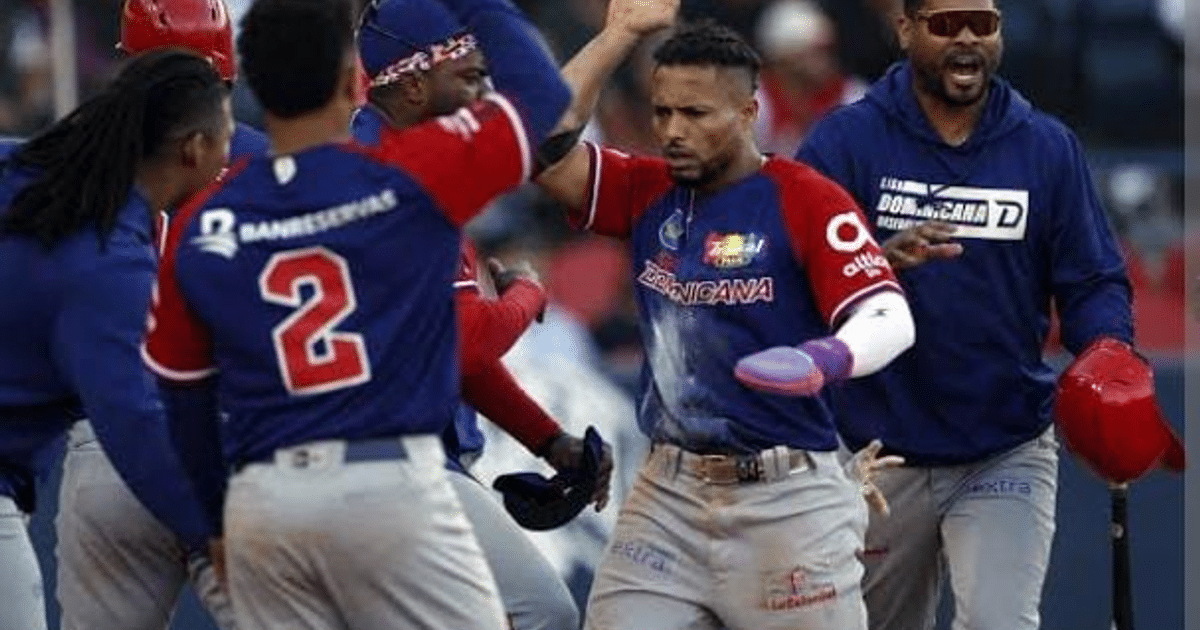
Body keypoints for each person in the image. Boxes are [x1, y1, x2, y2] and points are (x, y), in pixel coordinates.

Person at [140, 0, 569, 627]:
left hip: (265, 496)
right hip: (385, 481)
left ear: (255, 89)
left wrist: (212, 521)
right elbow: (542, 91)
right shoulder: (410, 176)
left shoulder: (208, 222)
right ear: (351, 83)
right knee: (538, 612)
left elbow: (182, 395)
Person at [534, 12, 917, 630]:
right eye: (662, 113)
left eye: (695, 114)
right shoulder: (644, 189)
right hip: (667, 492)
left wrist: (825, 359)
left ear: (747, 113)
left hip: (786, 498)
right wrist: (617, 37)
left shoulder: (804, 196)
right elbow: (543, 147)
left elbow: (889, 315)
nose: (672, 132)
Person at [795, 0, 1139, 628]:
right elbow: (791, 279)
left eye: (982, 24)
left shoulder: (1046, 147)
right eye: (946, 23)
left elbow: (1092, 281)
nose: (967, 40)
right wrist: (875, 261)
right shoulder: (844, 142)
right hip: (876, 452)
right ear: (906, 30)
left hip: (1003, 446)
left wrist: (1109, 354)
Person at [352, 0, 613, 628]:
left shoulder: (368, 153)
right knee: (542, 613)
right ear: (414, 85)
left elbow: (446, 353)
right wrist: (527, 295)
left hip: (338, 463)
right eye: (468, 76)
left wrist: (546, 439)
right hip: (387, 465)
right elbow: (466, 342)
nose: (482, 93)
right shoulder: (402, 174)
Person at [0, 49, 234, 630]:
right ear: (193, 148)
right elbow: (134, 425)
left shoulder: (21, 166)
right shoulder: (109, 263)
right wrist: (212, 529)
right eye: (226, 138)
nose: (229, 155)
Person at [54, 3, 264, 629]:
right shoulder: (266, 161)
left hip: (105, 444)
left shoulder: (65, 160)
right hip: (224, 439)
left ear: (127, 66)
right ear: (224, 76)